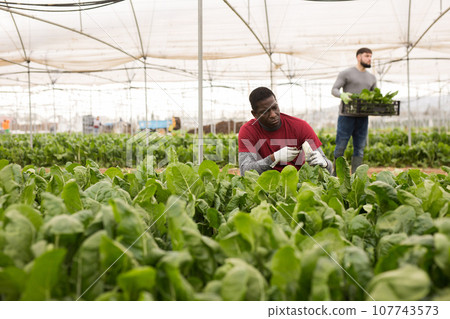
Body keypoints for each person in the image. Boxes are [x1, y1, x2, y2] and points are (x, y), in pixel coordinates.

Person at [238, 87, 332, 176]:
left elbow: (328, 168)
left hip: (298, 184)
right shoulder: (248, 130)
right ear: (254, 114)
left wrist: (325, 164)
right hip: (266, 185)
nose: (273, 115)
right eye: (265, 111)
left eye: (275, 108)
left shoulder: (300, 126)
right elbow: (245, 171)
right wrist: (274, 158)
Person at [331, 47, 377, 174]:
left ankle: (355, 177)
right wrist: (342, 95)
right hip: (346, 116)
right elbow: (334, 89)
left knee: (360, 148)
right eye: (367, 56)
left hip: (363, 117)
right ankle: (335, 175)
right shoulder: (346, 73)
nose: (369, 59)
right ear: (359, 57)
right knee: (340, 147)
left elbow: (374, 96)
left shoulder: (372, 78)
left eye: (370, 56)